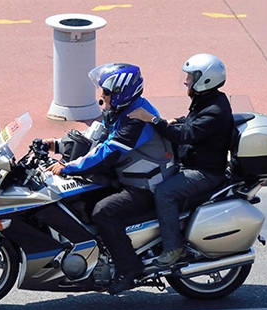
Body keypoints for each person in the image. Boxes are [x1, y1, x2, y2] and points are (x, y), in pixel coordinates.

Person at [46, 63, 175, 294]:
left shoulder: (136, 120)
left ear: (121, 93)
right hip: (128, 179)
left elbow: (106, 153)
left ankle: (129, 267)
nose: (102, 95)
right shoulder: (122, 110)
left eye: (106, 92)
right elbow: (94, 138)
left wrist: (68, 168)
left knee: (103, 212)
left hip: (146, 186)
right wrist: (55, 144)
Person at [128, 53, 234, 267]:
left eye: (191, 77)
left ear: (205, 80)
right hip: (192, 163)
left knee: (164, 192)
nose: (186, 81)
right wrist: (176, 120)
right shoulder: (208, 100)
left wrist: (154, 120)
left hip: (205, 173)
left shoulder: (214, 109)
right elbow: (193, 124)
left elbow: (185, 135)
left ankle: (173, 248)